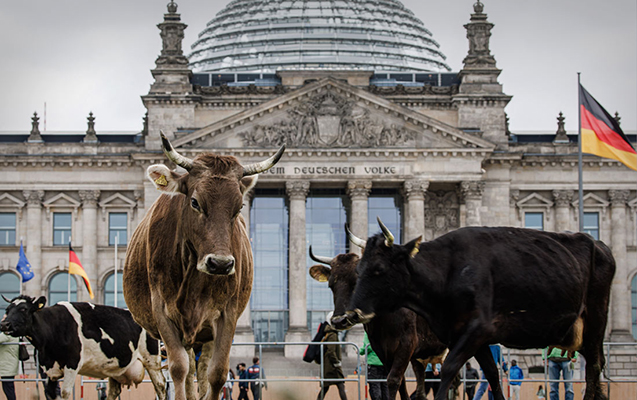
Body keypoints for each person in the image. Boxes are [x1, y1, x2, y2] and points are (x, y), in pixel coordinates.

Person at [318, 312, 347, 400]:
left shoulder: (330, 333)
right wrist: (336, 362)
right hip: (332, 366)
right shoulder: (332, 335)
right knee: (340, 385)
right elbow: (331, 351)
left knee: (327, 387)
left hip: (329, 365)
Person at [360, 332, 389, 400]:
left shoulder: (369, 331)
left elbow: (368, 347)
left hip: (373, 363)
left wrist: (360, 351)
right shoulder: (385, 330)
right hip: (385, 363)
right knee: (385, 387)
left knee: (375, 387)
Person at [0, 332, 19, 400]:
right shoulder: (14, 333)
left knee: (8, 388)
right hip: (8, 364)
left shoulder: (8, 333)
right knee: (7, 388)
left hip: (7, 365)